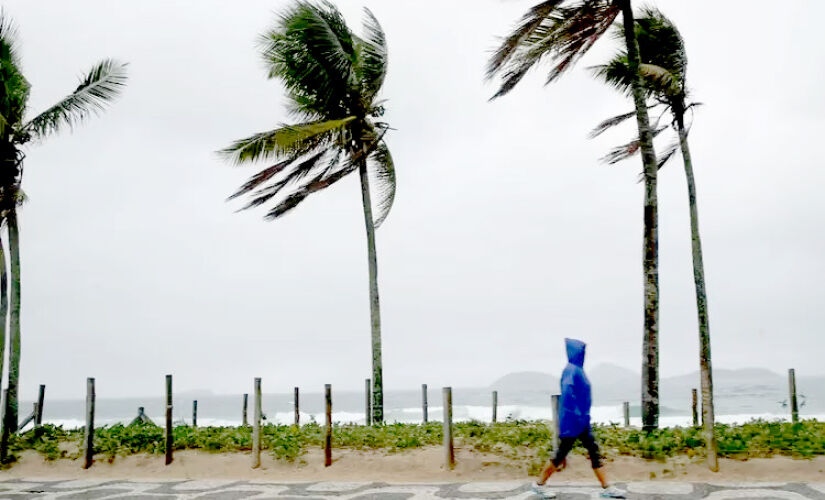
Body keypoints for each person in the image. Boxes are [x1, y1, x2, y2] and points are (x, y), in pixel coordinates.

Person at [531, 338, 625, 499]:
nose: (584, 353)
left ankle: (606, 487)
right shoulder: (572, 370)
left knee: (593, 452)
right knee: (561, 455)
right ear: (576, 352)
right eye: (582, 350)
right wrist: (577, 416)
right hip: (573, 422)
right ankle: (539, 485)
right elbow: (568, 395)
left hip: (581, 421)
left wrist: (582, 417)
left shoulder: (577, 370)